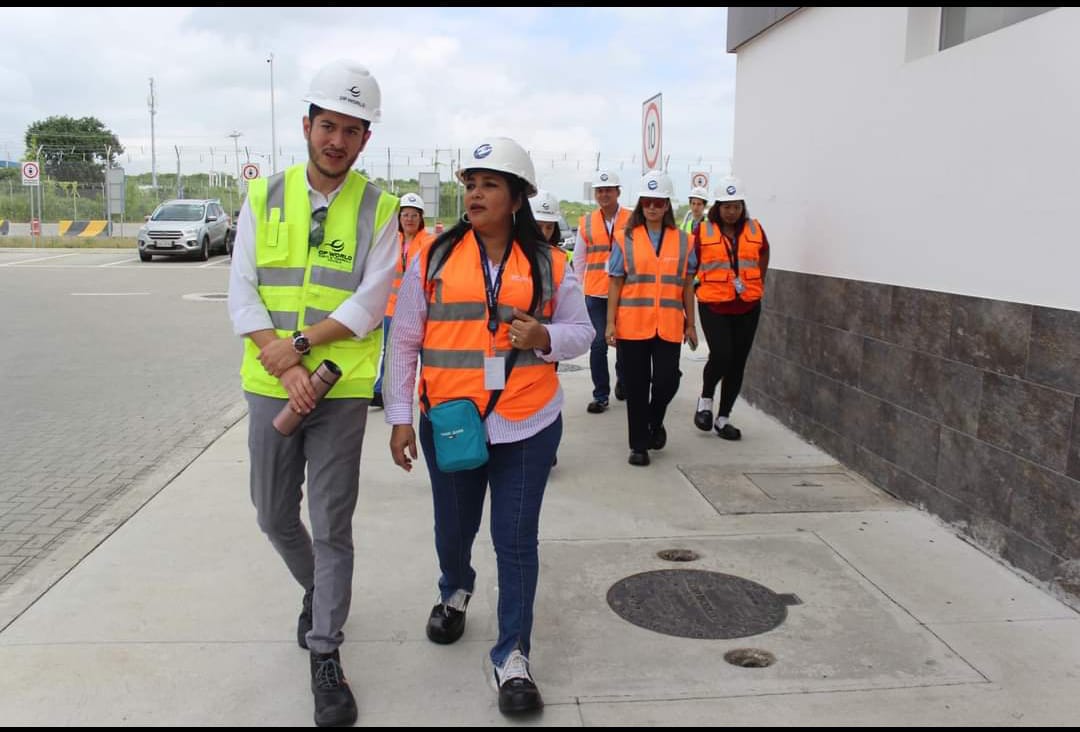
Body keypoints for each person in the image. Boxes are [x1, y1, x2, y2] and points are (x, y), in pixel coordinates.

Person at [384, 137, 593, 715]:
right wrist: (400, 417)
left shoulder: (550, 264)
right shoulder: (434, 257)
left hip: (527, 422)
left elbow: (583, 332)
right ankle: (455, 588)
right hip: (451, 422)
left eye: (490, 185)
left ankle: (513, 656)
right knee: (454, 529)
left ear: (517, 198)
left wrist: (545, 336)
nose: (475, 194)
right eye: (470, 184)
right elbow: (404, 341)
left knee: (515, 539)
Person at [226, 59, 399, 728]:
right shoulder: (263, 196)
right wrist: (283, 364)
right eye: (328, 125)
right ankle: (318, 591)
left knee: (331, 525)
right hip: (272, 385)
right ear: (307, 126)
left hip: (342, 392)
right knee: (273, 515)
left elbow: (370, 302)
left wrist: (300, 346)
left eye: (352, 130)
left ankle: (326, 651)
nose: (337, 140)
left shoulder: (381, 209)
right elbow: (242, 290)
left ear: (365, 140)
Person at [605, 170, 698, 466]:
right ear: (641, 204)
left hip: (669, 325)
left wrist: (692, 324)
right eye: (648, 202)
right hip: (632, 324)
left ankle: (654, 422)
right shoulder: (625, 239)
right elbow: (615, 282)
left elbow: (687, 285)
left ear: (667, 205)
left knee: (666, 381)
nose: (653, 207)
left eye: (659, 202)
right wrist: (610, 322)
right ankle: (638, 445)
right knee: (636, 386)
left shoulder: (684, 241)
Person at [692, 176, 770, 440]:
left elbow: (764, 253)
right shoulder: (703, 231)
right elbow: (690, 265)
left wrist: (758, 279)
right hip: (714, 305)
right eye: (726, 206)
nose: (732, 211)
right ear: (717, 206)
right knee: (722, 354)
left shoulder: (755, 229)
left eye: (736, 206)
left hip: (748, 305)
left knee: (738, 363)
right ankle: (705, 401)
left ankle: (723, 418)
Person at [573, 170, 631, 413]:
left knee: (626, 344)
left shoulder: (632, 218)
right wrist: (579, 289)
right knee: (598, 344)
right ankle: (601, 395)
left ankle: (623, 381)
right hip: (596, 293)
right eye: (600, 191)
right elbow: (579, 258)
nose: (604, 194)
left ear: (618, 192)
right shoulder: (586, 222)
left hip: (626, 293)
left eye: (608, 190)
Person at [372, 191, 434, 408]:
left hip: (421, 310)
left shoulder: (429, 242)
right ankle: (381, 391)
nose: (409, 219)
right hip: (393, 309)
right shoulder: (391, 241)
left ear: (421, 218)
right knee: (392, 352)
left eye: (414, 215)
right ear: (399, 218)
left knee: (425, 352)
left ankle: (430, 390)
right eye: (405, 215)